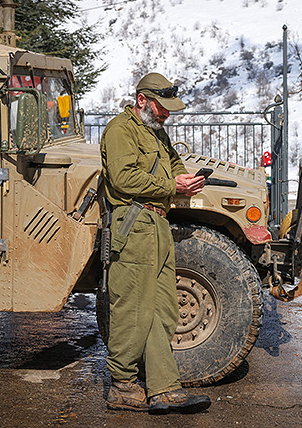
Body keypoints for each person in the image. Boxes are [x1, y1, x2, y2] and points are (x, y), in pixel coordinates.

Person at [99, 72, 211, 415]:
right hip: (133, 224)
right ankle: (123, 386)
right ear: (143, 100)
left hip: (157, 224)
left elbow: (173, 162)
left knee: (162, 310)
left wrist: (183, 178)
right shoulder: (121, 130)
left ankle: (164, 388)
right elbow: (123, 178)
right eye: (162, 107)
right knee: (132, 310)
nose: (166, 115)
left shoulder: (156, 130)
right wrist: (171, 186)